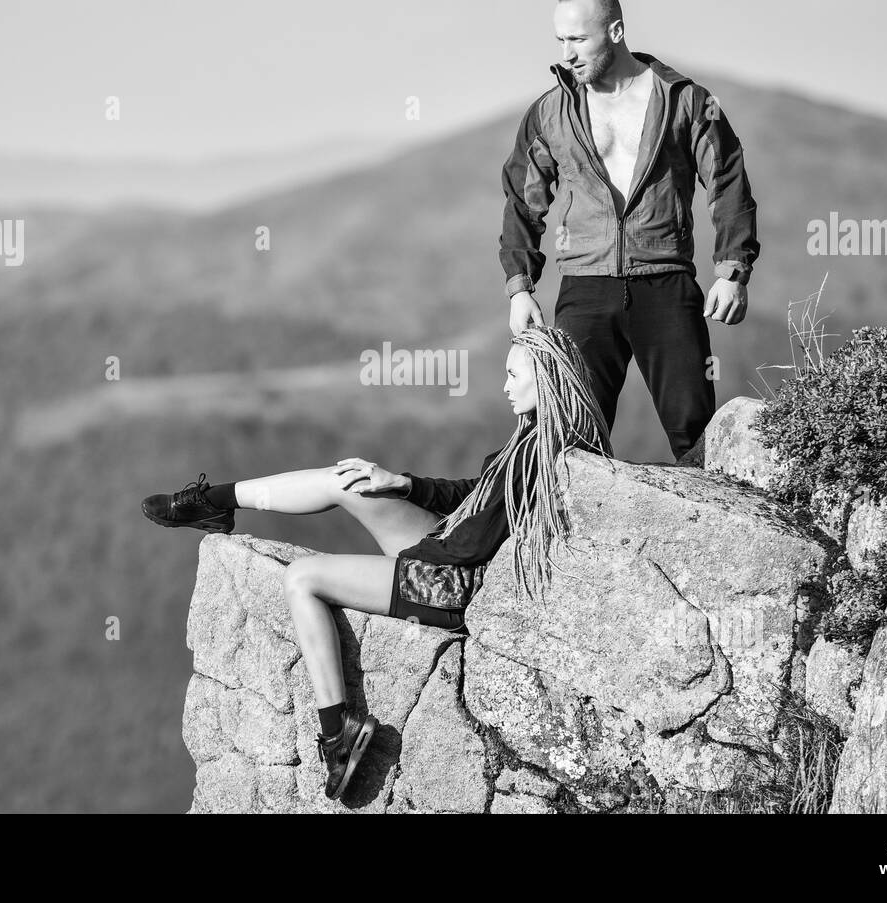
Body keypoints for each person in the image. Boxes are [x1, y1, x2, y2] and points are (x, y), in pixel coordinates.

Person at [140, 325, 613, 801]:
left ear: (547, 380)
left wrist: (411, 557)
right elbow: (475, 493)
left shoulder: (547, 456)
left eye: (515, 376)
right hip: (444, 550)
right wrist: (401, 485)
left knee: (301, 578)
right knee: (349, 479)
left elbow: (474, 544)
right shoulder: (534, 437)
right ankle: (214, 502)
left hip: (448, 581)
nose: (505, 387)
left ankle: (337, 734)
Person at [500, 0, 761, 460]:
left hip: (666, 283)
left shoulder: (684, 99)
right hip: (585, 287)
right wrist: (520, 287)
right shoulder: (551, 110)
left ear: (615, 30)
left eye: (578, 39)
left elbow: (728, 181)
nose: (567, 53)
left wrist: (732, 270)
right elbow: (522, 199)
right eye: (561, 40)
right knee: (571, 438)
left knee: (695, 433)